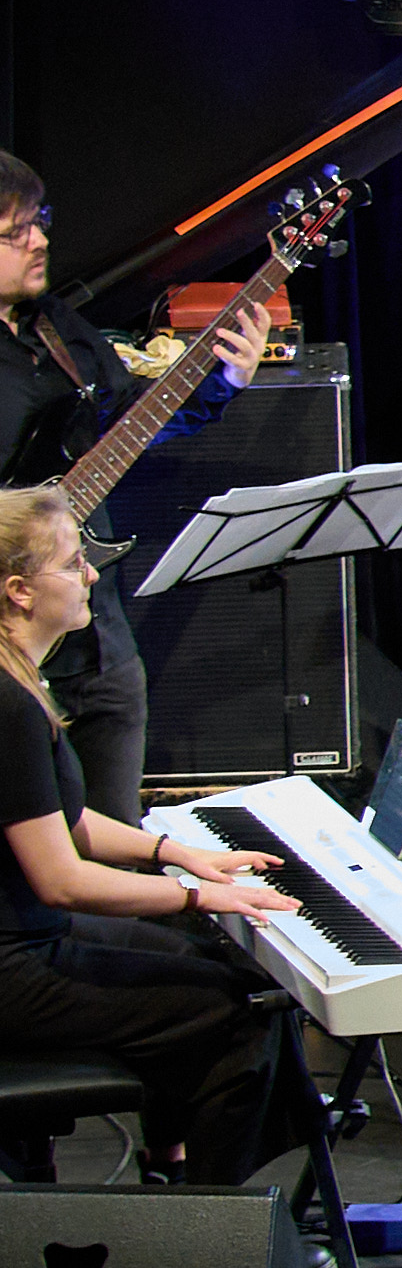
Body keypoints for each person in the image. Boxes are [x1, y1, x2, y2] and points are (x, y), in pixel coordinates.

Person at [0, 485, 316, 1188]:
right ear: (20, 591)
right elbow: (62, 880)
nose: (90, 576)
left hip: (28, 942)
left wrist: (174, 853)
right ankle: (213, 1237)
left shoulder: (18, 681)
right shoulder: (6, 705)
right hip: (13, 970)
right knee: (239, 1019)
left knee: (235, 975)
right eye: (73, 562)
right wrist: (196, 896)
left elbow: (66, 819)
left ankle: (179, 1178)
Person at [0, 149, 262, 810]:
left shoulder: (56, 326)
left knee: (116, 837)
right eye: (15, 232)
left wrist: (224, 382)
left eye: (40, 221)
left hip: (96, 632)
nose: (40, 241)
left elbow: (127, 425)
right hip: (14, 640)